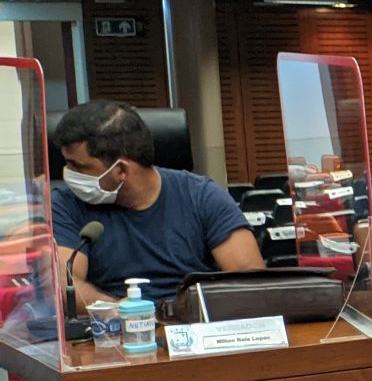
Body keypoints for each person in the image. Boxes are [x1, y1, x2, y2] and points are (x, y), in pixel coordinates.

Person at [52, 99, 262, 305]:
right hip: (112, 323)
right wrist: (118, 310)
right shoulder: (65, 204)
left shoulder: (202, 196)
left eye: (77, 166)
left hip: (195, 318)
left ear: (121, 170)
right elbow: (64, 285)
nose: (68, 173)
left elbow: (252, 284)